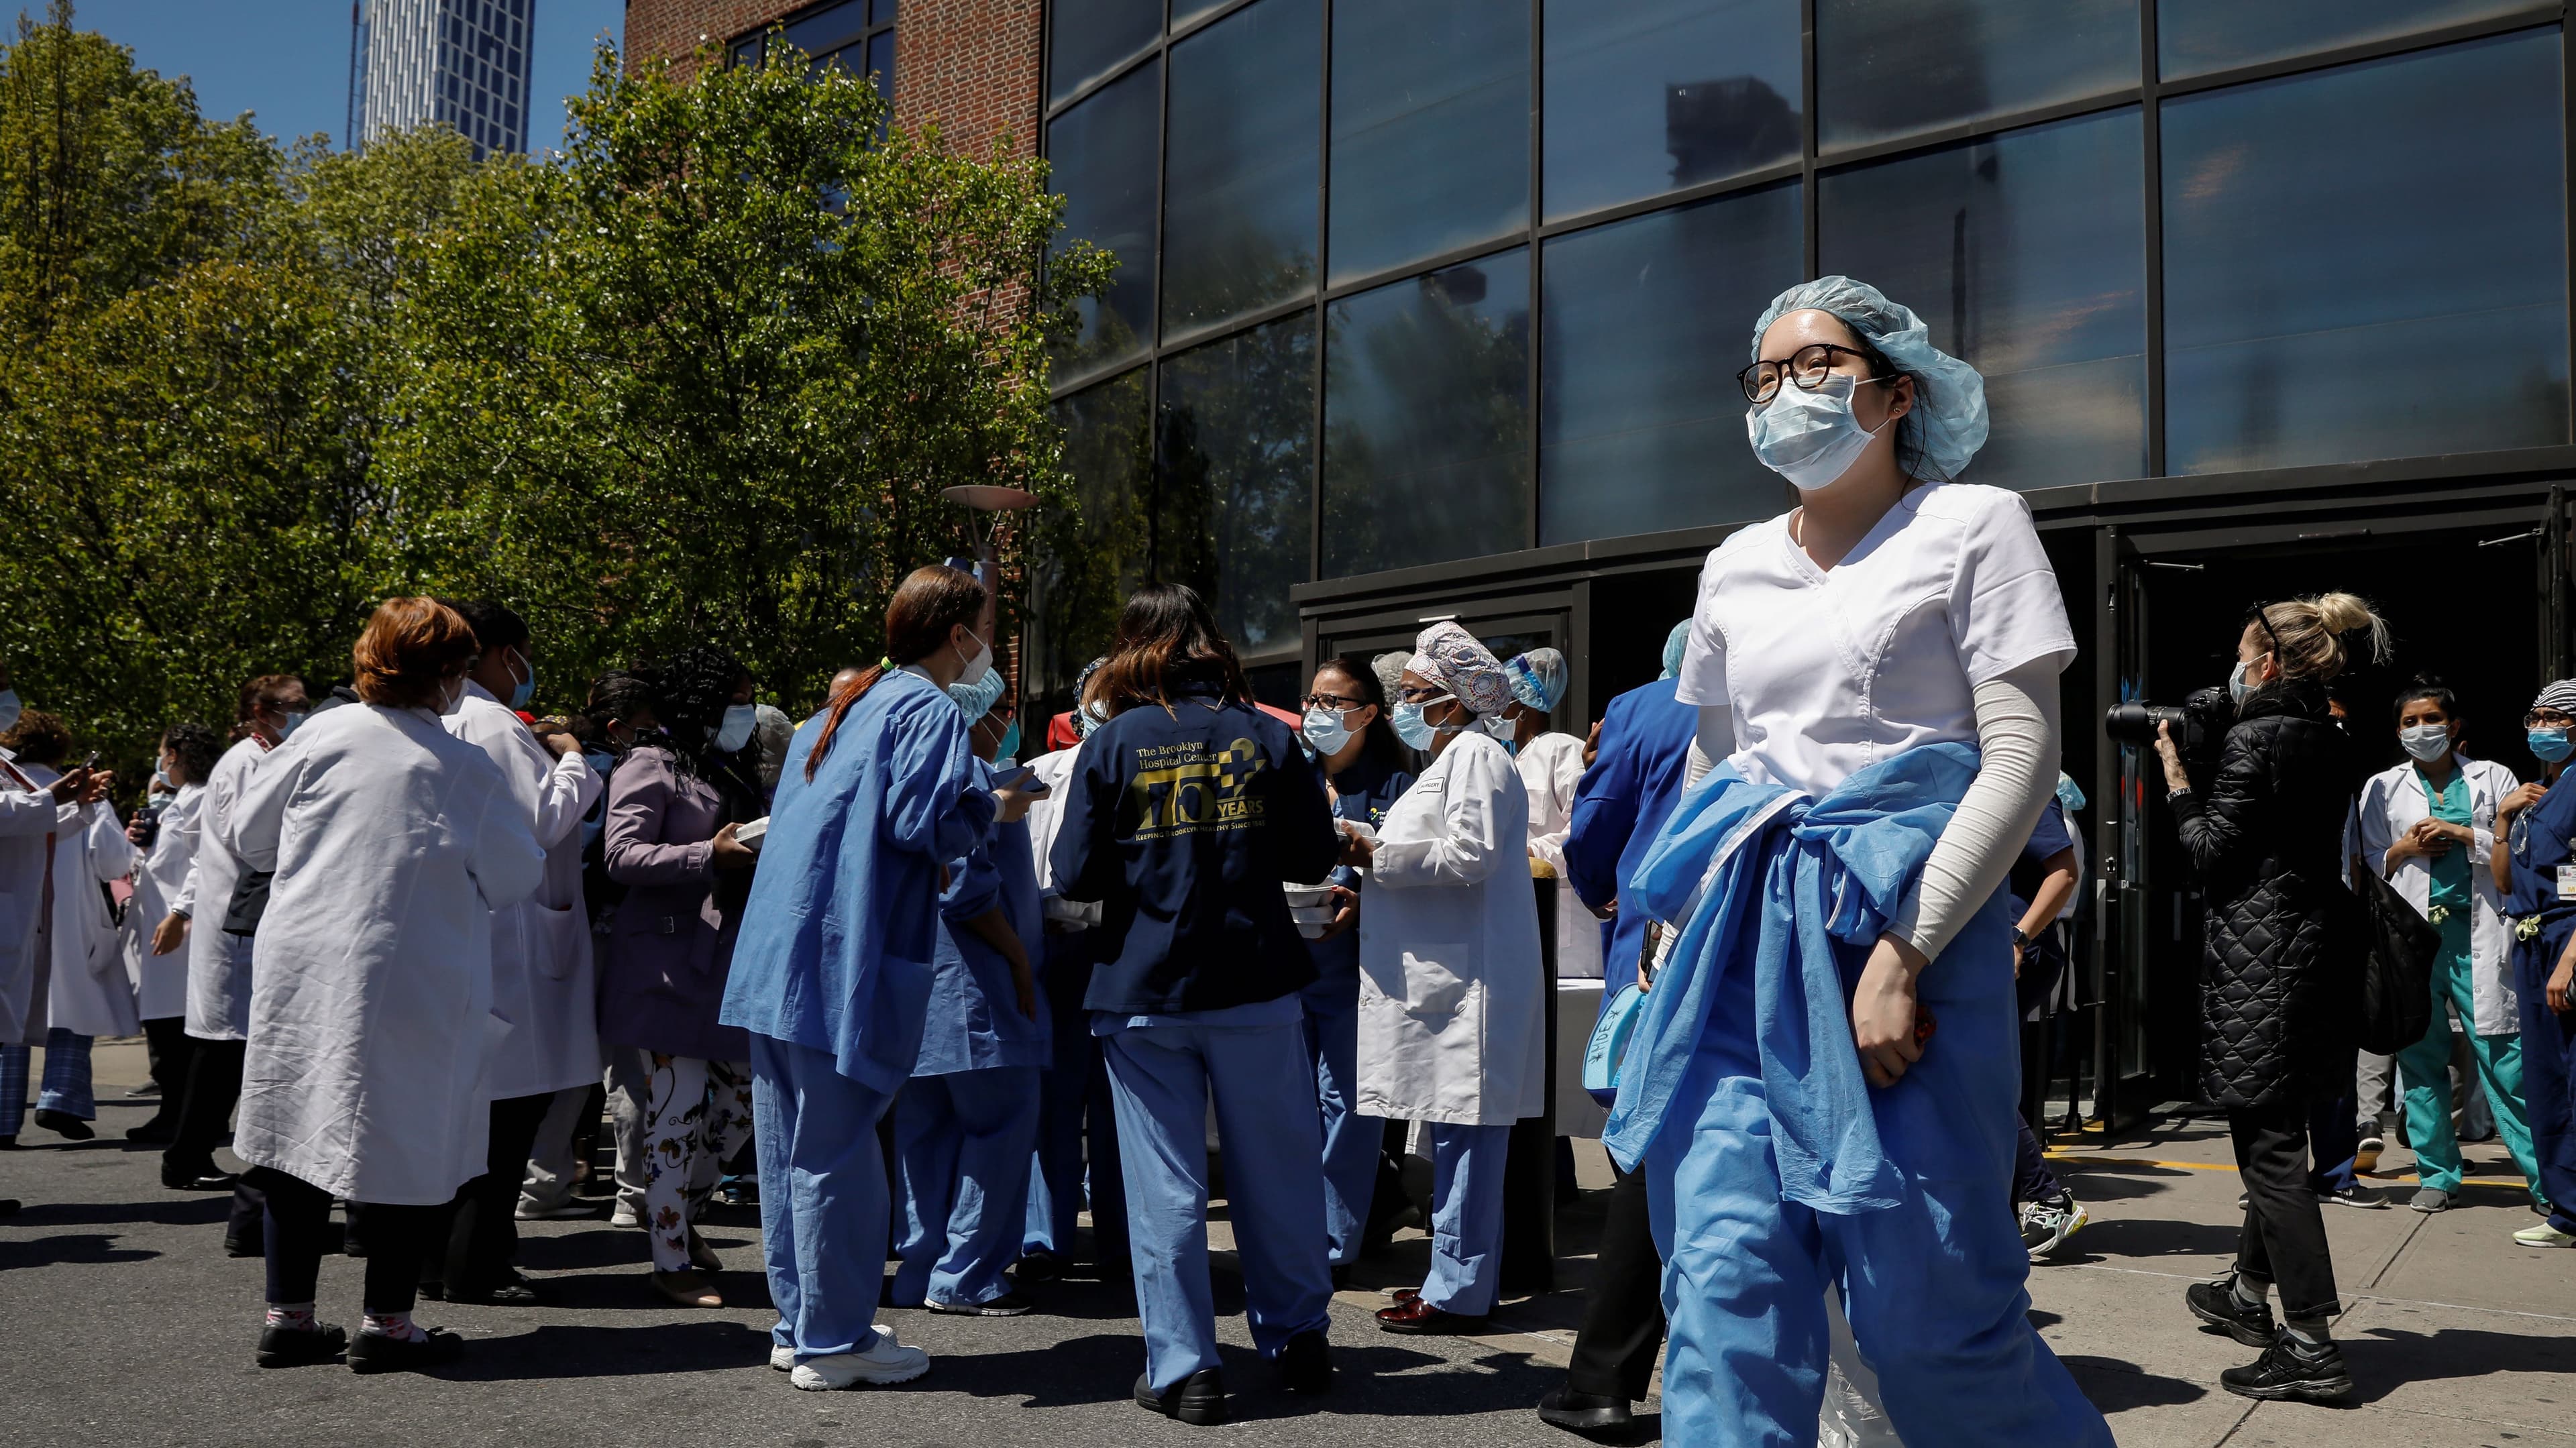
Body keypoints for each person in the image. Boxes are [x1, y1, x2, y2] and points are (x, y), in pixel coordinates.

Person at [1607, 277, 2112, 1445]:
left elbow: (2022, 754)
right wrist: (1673, 932)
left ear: (1897, 390)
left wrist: (1906, 951)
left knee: (1932, 1309)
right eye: (1768, 371)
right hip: (1738, 951)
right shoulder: (1733, 562)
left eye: (1819, 362)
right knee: (1724, 1294)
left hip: (1910, 946)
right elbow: (1715, 771)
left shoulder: (1975, 523)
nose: (1789, 389)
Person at [225, 597, 547, 1372]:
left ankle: (289, 1316)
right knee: (405, 1136)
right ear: (447, 673)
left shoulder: (320, 735)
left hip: (304, 969)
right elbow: (515, 874)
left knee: (294, 1136)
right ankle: (389, 1322)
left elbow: (248, 836)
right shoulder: (462, 766)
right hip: (412, 976)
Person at [1051, 583, 1344, 1426]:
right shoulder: (1267, 734)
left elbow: (1073, 876)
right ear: (1210, 645)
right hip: (1254, 981)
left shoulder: (1112, 745)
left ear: (1133, 650)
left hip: (1144, 989)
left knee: (1166, 1186)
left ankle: (1187, 1366)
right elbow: (1313, 853)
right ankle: (1298, 1338)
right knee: (1279, 1168)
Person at [723, 563, 1003, 1390]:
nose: (988, 644)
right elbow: (926, 821)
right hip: (842, 962)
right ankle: (836, 1338)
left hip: (779, 963)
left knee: (790, 1156)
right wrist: (986, 808)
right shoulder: (925, 707)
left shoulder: (837, 708)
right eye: (983, 627)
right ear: (958, 636)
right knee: (837, 1153)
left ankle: (802, 1322)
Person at [2153, 593, 2389, 1401]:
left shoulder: (2256, 738)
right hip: (2311, 952)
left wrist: (2179, 778)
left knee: (2272, 1151)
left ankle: (2311, 1343)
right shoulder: (2331, 733)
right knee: (2281, 1126)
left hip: (2264, 963)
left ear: (2262, 664)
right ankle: (2248, 1297)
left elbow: (2214, 851)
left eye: (2240, 655)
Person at [1358, 622, 1547, 1335]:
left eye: (1411, 693)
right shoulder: (1456, 756)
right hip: (1453, 979)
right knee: (1457, 1138)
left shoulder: (1473, 754)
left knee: (1469, 1142)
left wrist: (1373, 850)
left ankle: (1461, 1290)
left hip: (1471, 986)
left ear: (1448, 699)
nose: (1401, 703)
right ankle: (1453, 1278)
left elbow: (1469, 855)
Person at [1536, 624, 1698, 1438]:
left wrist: (1607, 893)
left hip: (1665, 949)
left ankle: (1603, 1376)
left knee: (1648, 1150)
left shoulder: (1649, 706)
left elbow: (1593, 830)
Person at [423, 600, 602, 1302]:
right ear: (499, 653)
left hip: (489, 932)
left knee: (474, 1118)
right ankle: (478, 1264)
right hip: (518, 938)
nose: (526, 670)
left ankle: (443, 1261)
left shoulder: (451, 715)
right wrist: (576, 759)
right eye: (522, 653)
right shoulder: (492, 722)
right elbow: (540, 821)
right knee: (504, 1121)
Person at [598, 645, 764, 1308]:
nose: (745, 710)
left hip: (719, 966)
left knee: (740, 1102)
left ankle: (674, 1212)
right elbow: (621, 852)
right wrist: (709, 853)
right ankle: (671, 1258)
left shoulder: (724, 766)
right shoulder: (650, 763)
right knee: (677, 1108)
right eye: (738, 696)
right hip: (663, 968)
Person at [891, 669, 1049, 1316]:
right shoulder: (976, 782)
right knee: (1000, 1123)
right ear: (977, 714)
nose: (1008, 720)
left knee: (926, 1130)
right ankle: (966, 1275)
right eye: (1002, 709)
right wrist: (1016, 957)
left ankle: (921, 1269)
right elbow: (965, 888)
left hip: (923, 986)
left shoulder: (922, 776)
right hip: (977, 981)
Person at [2357, 677, 2543, 1215]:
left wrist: (2463, 835)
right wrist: (2404, 846)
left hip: (2477, 933)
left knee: (2504, 1061)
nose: (2422, 730)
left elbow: (2520, 847)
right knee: (2420, 1058)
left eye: (2431, 719)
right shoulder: (2383, 787)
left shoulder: (2493, 776)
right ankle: (2437, 1173)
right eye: (2410, 722)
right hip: (2414, 939)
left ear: (2454, 726)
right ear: (2398, 730)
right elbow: (2368, 862)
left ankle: (2544, 1178)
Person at [163, 673, 307, 1196]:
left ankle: (191, 1152)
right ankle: (187, 1156)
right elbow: (251, 841)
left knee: (227, 1047)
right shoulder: (246, 762)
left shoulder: (267, 757)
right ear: (258, 710)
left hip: (241, 916)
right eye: (292, 705)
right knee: (220, 1048)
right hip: (235, 922)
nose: (302, 713)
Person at [1296, 654, 1414, 1281]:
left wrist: (1365, 898)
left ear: (1368, 713)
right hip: (1289, 964)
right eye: (1312, 700)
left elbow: (1408, 870)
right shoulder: (1289, 775)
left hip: (1359, 972)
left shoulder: (1397, 785)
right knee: (1289, 1105)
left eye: (1332, 703)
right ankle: (1291, 1226)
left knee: (1348, 1104)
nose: (1317, 712)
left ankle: (1334, 1241)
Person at [1021, 656, 1129, 1281]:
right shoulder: (1042, 773)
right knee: (1053, 1101)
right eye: (1100, 694)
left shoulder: (1145, 768)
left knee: (1118, 1104)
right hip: (1056, 945)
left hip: (1119, 949)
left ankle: (1119, 1243)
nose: (1108, 708)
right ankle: (1045, 1240)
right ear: (1079, 700)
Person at [0, 710, 138, 1141]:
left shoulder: (15, 778)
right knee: (69, 1012)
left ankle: (6, 1117)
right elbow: (114, 861)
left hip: (30, 918)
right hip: (57, 921)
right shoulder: (35, 788)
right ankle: (60, 1097)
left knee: (13, 1021)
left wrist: (75, 804)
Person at [2491, 681, 2576, 1248]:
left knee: (2571, 1075)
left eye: (2554, 717)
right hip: (2530, 937)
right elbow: (2504, 881)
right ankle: (2564, 1206)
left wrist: (2569, 961)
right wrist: (2502, 819)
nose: (2541, 726)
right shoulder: (2535, 795)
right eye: (2535, 716)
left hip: (2565, 939)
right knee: (2544, 1077)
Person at [2007, 777, 2098, 1255]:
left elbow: (2065, 874)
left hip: (2016, 949)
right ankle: (2012, 1212)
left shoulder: (2026, 788)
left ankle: (2047, 1197)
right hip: (2010, 947)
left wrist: (2018, 938)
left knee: (1984, 1085)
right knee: (1993, 1081)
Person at [123, 723, 224, 1144]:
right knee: (165, 1028)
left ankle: (181, 1117)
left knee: (175, 1032)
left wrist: (181, 912)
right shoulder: (181, 799)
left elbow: (205, 863)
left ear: (178, 756)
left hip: (179, 928)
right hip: (163, 926)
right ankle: (174, 1112)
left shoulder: (200, 798)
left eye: (164, 752)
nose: (160, 760)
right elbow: (172, 862)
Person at [1504, 647, 1601, 984]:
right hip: (1520, 922)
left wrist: (1530, 854)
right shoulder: (1509, 762)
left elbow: (1586, 832)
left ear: (1524, 701)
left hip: (1567, 935)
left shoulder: (1565, 750)